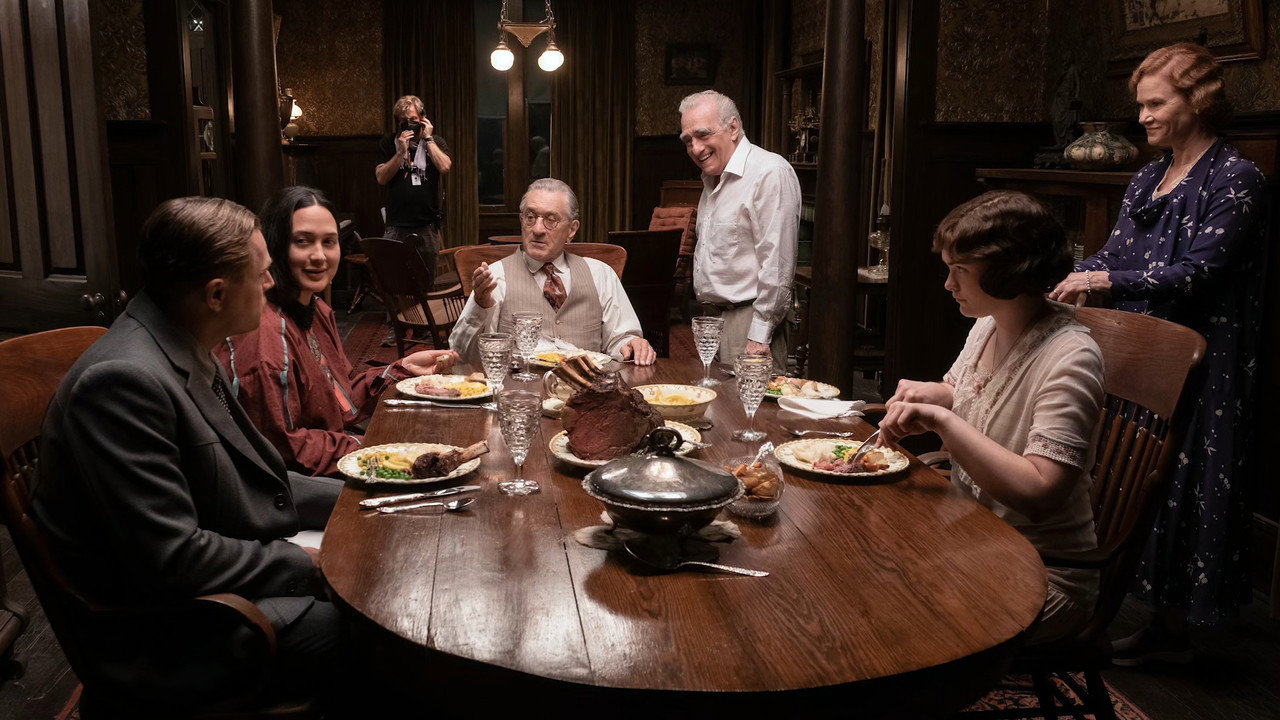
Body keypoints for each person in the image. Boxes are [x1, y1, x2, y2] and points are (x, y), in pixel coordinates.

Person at [32, 197, 347, 710]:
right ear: (216, 293)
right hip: (173, 632)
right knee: (381, 632)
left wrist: (362, 496)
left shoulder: (183, 337)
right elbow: (174, 560)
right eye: (262, 274)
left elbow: (258, 475)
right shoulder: (122, 381)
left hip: (206, 583)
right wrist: (306, 564)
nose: (272, 285)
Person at [1048, 42, 1270, 662]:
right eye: (1140, 105)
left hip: (1206, 355)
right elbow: (1116, 252)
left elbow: (1201, 272)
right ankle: (1140, 616)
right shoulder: (1149, 175)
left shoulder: (1237, 178)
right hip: (1145, 351)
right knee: (1142, 477)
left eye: (1156, 104)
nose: (1143, 116)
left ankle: (1177, 631)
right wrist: (1072, 277)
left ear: (1197, 101)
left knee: (1191, 474)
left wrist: (1104, 280)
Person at [881, 191, 1105, 643]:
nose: (949, 284)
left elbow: (1040, 493)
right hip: (974, 537)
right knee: (863, 563)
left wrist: (944, 422)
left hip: (1041, 572)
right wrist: (939, 394)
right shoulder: (989, 324)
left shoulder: (1071, 357)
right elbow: (975, 393)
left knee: (891, 610)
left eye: (960, 270)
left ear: (1009, 270)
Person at [215, 186, 458, 477]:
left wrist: (402, 368)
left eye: (329, 242)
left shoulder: (315, 309)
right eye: (302, 241)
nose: (319, 256)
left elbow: (340, 399)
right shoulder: (265, 338)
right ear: (276, 246)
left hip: (330, 456)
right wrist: (376, 450)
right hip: (293, 485)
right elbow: (284, 451)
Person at [449, 178, 656, 366]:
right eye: (530, 217)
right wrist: (480, 306)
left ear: (572, 229)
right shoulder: (495, 277)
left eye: (551, 219)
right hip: (519, 391)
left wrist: (632, 343)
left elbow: (621, 340)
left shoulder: (600, 274)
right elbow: (462, 355)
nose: (537, 229)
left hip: (588, 390)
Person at [678, 89, 800, 372]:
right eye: (688, 140)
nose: (696, 148)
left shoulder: (769, 172)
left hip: (749, 323)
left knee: (754, 402)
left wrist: (759, 335)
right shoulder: (712, 179)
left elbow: (778, 265)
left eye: (703, 135)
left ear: (733, 128)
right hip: (713, 322)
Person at [375, 94, 453, 288]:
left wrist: (428, 138)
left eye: (413, 120)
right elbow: (381, 177)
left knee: (426, 282)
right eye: (403, 121)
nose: (409, 125)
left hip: (427, 225)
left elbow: (445, 166)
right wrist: (400, 152)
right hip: (396, 225)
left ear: (423, 119)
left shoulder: (435, 142)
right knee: (394, 283)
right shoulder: (389, 142)